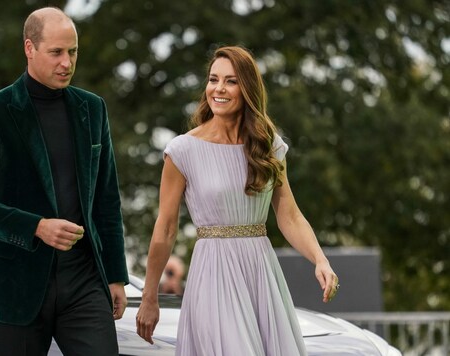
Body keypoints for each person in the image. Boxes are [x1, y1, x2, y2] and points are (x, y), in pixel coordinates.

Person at [135, 46, 339, 356]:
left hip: (260, 272)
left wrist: (320, 260)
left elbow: (290, 216)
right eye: (213, 79)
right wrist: (150, 296)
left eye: (230, 81)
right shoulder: (182, 151)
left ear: (247, 88)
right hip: (212, 274)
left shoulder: (268, 146)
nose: (218, 89)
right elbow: (164, 229)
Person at [0, 7, 128, 356]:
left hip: (83, 281)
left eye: (73, 52)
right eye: (57, 52)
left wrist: (115, 275)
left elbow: (106, 198)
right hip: (15, 284)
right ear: (30, 48)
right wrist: (37, 226)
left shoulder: (92, 109)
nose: (67, 62)